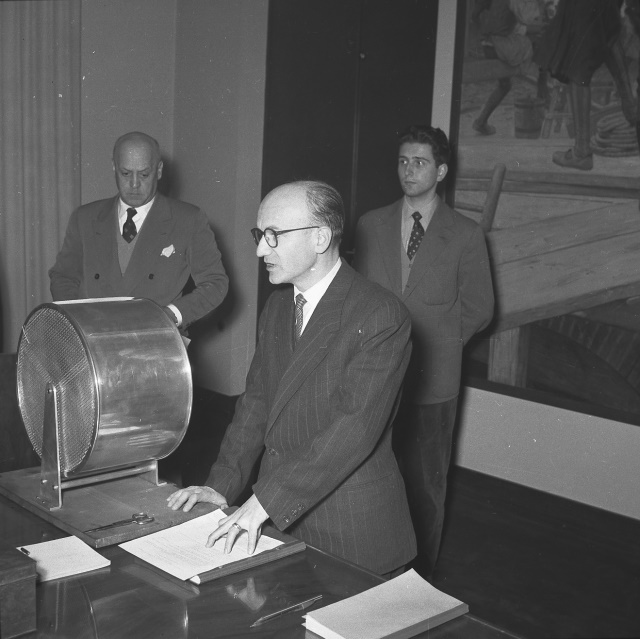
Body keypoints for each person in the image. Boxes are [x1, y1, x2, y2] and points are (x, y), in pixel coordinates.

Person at [168, 180, 416, 577]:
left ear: (320, 237)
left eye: (274, 235)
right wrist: (221, 486)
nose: (260, 250)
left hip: (350, 531)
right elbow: (256, 405)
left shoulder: (379, 314)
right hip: (279, 522)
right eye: (259, 235)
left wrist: (265, 501)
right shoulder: (278, 307)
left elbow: (351, 431)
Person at [353, 125, 494, 578]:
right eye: (403, 161)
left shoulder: (466, 234)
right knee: (369, 477)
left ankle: (419, 583)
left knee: (426, 485)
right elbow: (359, 297)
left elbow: (479, 308)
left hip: (434, 382)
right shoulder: (371, 224)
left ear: (441, 171)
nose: (409, 170)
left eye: (419, 162)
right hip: (375, 376)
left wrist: (437, 346)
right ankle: (370, 571)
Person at [49, 131, 228, 331]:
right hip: (94, 336)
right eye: (126, 173)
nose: (134, 184)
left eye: (144, 174)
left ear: (159, 170)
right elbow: (63, 277)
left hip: (157, 338)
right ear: (114, 167)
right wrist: (78, 318)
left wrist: (170, 315)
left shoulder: (189, 219)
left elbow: (215, 283)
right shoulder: (84, 218)